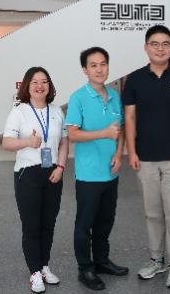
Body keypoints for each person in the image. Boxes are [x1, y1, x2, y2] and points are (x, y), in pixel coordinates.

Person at [123, 25, 170, 289]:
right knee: (152, 213)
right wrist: (132, 152)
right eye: (155, 44)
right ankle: (157, 260)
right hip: (145, 158)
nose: (160, 48)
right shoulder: (134, 80)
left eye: (165, 43)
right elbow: (129, 118)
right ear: (146, 47)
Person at [65, 47, 128, 291]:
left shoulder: (114, 95)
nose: (99, 69)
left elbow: (120, 130)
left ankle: (101, 261)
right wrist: (104, 133)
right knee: (85, 224)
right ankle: (85, 269)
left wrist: (119, 153)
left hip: (111, 172)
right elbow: (72, 134)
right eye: (93, 65)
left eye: (103, 64)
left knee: (105, 221)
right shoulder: (78, 98)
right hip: (88, 175)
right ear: (85, 70)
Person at [2, 66, 68, 293]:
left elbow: (64, 142)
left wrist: (61, 166)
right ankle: (34, 272)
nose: (40, 86)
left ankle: (44, 266)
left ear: (49, 86)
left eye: (44, 82)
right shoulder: (19, 112)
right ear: (27, 86)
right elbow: (6, 142)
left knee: (48, 224)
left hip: (53, 173)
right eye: (35, 82)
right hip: (27, 174)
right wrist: (27, 143)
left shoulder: (57, 111)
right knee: (32, 226)